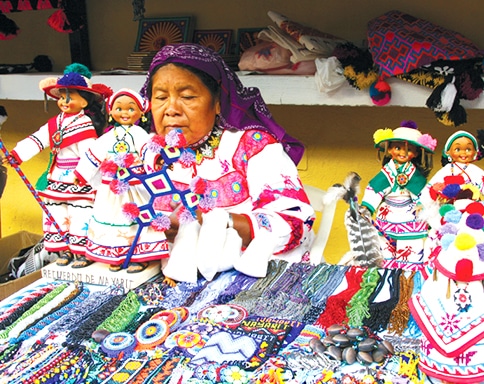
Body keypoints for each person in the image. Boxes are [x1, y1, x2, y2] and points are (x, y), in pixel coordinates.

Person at [138, 43, 315, 283]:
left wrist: (217, 221)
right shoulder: (146, 151)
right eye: (160, 97)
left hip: (249, 281)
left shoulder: (252, 147)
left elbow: (296, 222)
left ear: (218, 102)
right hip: (163, 278)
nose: (171, 110)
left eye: (187, 97)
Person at [3, 63, 112, 268]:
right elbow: (38, 139)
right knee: (56, 212)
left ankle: (81, 252)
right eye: (62, 96)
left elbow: (91, 155)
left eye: (69, 96)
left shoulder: (85, 126)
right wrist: (17, 154)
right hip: (56, 178)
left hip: (79, 178)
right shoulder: (55, 123)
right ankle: (64, 250)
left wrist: (85, 176)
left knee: (80, 214)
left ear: (84, 101)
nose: (64, 101)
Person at [74, 88, 168, 273]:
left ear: (141, 112)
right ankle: (113, 253)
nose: (124, 113)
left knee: (136, 219)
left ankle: (137, 256)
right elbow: (94, 155)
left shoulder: (140, 134)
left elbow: (147, 151)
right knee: (109, 216)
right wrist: (81, 174)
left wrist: (157, 159)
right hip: (111, 188)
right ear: (111, 112)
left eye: (130, 109)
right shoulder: (108, 137)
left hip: (133, 186)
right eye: (119, 109)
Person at [361, 121, 437, 271]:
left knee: (411, 249)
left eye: (409, 150)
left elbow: (423, 193)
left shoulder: (414, 174)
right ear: (389, 150)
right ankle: (386, 278)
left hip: (409, 215)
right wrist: (367, 207)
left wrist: (424, 207)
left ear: (415, 153)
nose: (402, 152)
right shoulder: (387, 172)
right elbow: (374, 189)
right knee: (384, 248)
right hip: (387, 214)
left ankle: (407, 279)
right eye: (397, 148)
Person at [418, 130, 484, 273]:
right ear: (448, 152)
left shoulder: (478, 172)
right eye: (458, 149)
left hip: (472, 215)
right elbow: (431, 189)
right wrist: (423, 203)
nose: (463, 153)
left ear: (475, 152)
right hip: (449, 213)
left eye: (468, 149)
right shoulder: (446, 171)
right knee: (442, 239)